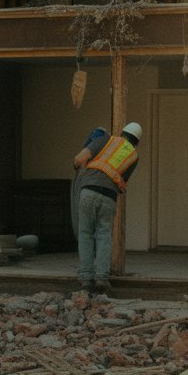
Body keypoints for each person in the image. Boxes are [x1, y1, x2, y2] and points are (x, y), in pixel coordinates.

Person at [72, 121, 141, 294]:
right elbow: (123, 182)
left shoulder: (106, 140)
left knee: (86, 233)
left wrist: (78, 164)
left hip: (88, 190)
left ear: (122, 132)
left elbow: (81, 158)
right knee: (103, 235)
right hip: (109, 196)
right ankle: (102, 277)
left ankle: (86, 278)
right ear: (137, 141)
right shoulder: (134, 156)